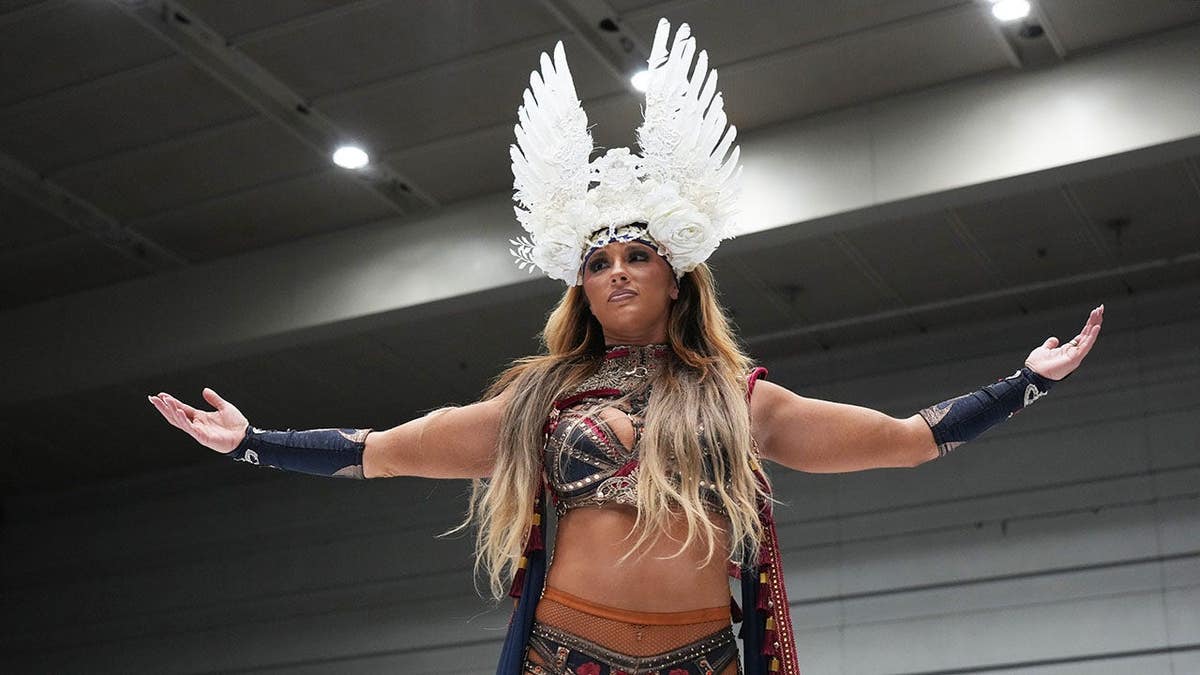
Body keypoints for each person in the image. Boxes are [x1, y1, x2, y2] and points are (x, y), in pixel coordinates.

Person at [148, 18, 1104, 675]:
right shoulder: (536, 402)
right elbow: (386, 450)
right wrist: (253, 441)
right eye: (597, 260)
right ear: (579, 283)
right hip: (565, 654)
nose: (616, 271)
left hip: (703, 656)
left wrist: (1026, 382)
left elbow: (903, 439)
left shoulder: (737, 395)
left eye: (637, 255)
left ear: (675, 274)